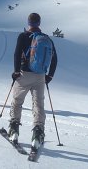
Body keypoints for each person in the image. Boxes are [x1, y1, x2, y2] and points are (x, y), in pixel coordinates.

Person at [8, 12, 57, 147]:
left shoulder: (23, 36)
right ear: (39, 23)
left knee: (17, 102)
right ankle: (37, 133)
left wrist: (16, 71)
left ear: (28, 23)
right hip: (40, 76)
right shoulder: (46, 39)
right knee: (38, 105)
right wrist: (50, 75)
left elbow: (17, 54)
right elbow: (54, 58)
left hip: (24, 75)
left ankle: (14, 130)